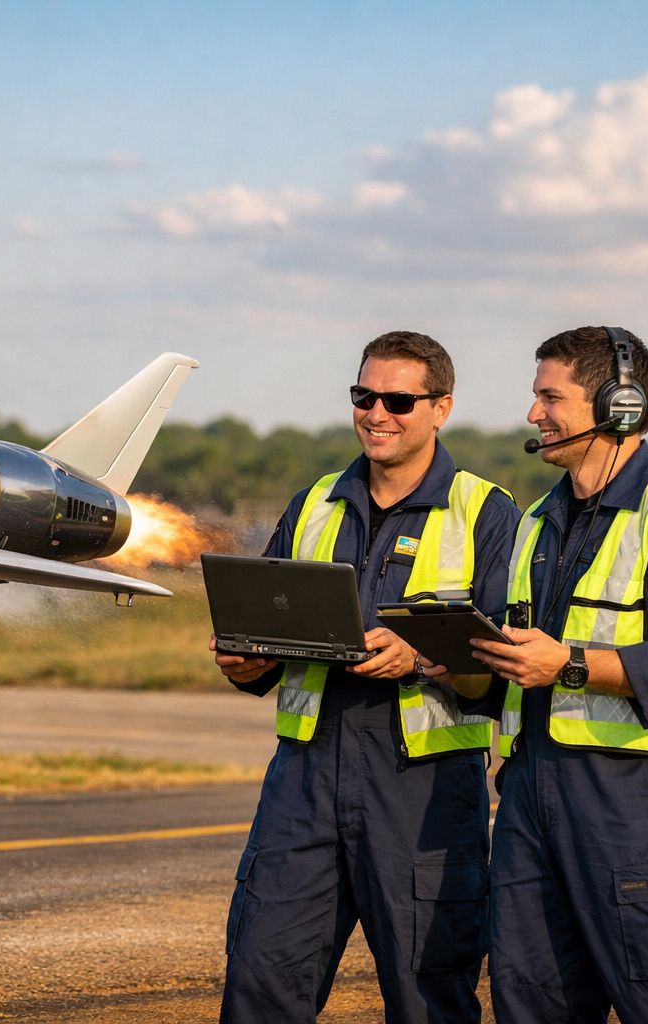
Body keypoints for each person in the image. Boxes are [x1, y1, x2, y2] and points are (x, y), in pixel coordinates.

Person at [213, 331, 520, 1023]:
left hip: (424, 796)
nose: (376, 412)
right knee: (260, 982)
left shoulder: (486, 514)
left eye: (397, 400)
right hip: (303, 782)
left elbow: (505, 667)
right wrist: (244, 662)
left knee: (427, 997)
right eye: (363, 395)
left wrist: (419, 659)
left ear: (441, 408)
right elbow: (265, 637)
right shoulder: (314, 503)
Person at [466, 326, 648, 1023]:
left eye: (549, 397)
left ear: (619, 406)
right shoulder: (535, 522)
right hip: (532, 794)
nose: (534, 414)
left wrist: (571, 664)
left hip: (640, 803)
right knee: (531, 1001)